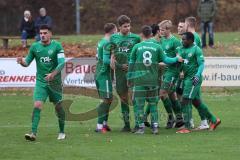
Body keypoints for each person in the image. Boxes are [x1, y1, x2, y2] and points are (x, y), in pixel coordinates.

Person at [128, 25, 183, 134]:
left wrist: (129, 78)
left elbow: (131, 64)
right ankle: (155, 127)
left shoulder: (137, 47)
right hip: (153, 80)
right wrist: (176, 58)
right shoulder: (157, 47)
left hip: (140, 81)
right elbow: (167, 60)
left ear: (142, 35)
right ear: (152, 34)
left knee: (139, 105)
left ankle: (141, 128)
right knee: (153, 104)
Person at [17, 25, 65, 141]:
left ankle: (62, 131)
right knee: (37, 105)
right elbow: (27, 62)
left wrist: (52, 74)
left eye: (45, 33)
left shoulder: (57, 46)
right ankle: (33, 133)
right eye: (41, 33)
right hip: (41, 82)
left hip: (55, 82)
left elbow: (62, 63)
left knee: (58, 107)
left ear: (50, 34)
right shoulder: (35, 47)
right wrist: (21, 61)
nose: (42, 35)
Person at [176, 32, 221, 134]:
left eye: (184, 39)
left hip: (193, 79)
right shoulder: (181, 49)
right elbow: (180, 63)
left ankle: (186, 127)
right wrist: (180, 71)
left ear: (191, 40)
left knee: (185, 100)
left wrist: (197, 75)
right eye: (182, 39)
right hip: (186, 78)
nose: (182, 41)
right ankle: (214, 120)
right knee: (196, 102)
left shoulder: (196, 49)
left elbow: (201, 64)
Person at [110, 15, 141, 132]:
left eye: (129, 26)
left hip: (133, 72)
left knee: (135, 98)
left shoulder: (136, 38)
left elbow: (139, 55)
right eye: (125, 26)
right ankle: (127, 125)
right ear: (119, 27)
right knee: (123, 98)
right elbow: (113, 56)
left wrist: (133, 66)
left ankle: (138, 124)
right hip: (119, 73)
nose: (127, 28)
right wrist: (119, 66)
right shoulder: (114, 39)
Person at [185, 16, 210, 130]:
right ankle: (203, 121)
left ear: (188, 24)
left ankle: (205, 121)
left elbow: (195, 56)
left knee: (194, 99)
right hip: (193, 73)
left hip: (193, 74)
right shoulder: (197, 36)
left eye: (184, 24)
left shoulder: (193, 37)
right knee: (195, 99)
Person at [158, 20, 184, 129]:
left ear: (168, 29)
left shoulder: (175, 41)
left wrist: (181, 71)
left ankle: (171, 117)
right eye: (160, 30)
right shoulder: (162, 40)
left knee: (162, 93)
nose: (161, 31)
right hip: (165, 71)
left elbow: (180, 58)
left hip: (173, 72)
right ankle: (180, 119)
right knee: (172, 95)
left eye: (163, 30)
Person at [94, 23, 117, 133]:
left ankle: (104, 124)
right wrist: (116, 63)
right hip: (104, 74)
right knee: (106, 100)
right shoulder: (107, 43)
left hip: (99, 73)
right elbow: (105, 60)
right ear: (113, 31)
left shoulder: (101, 41)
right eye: (116, 30)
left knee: (108, 99)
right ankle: (99, 126)